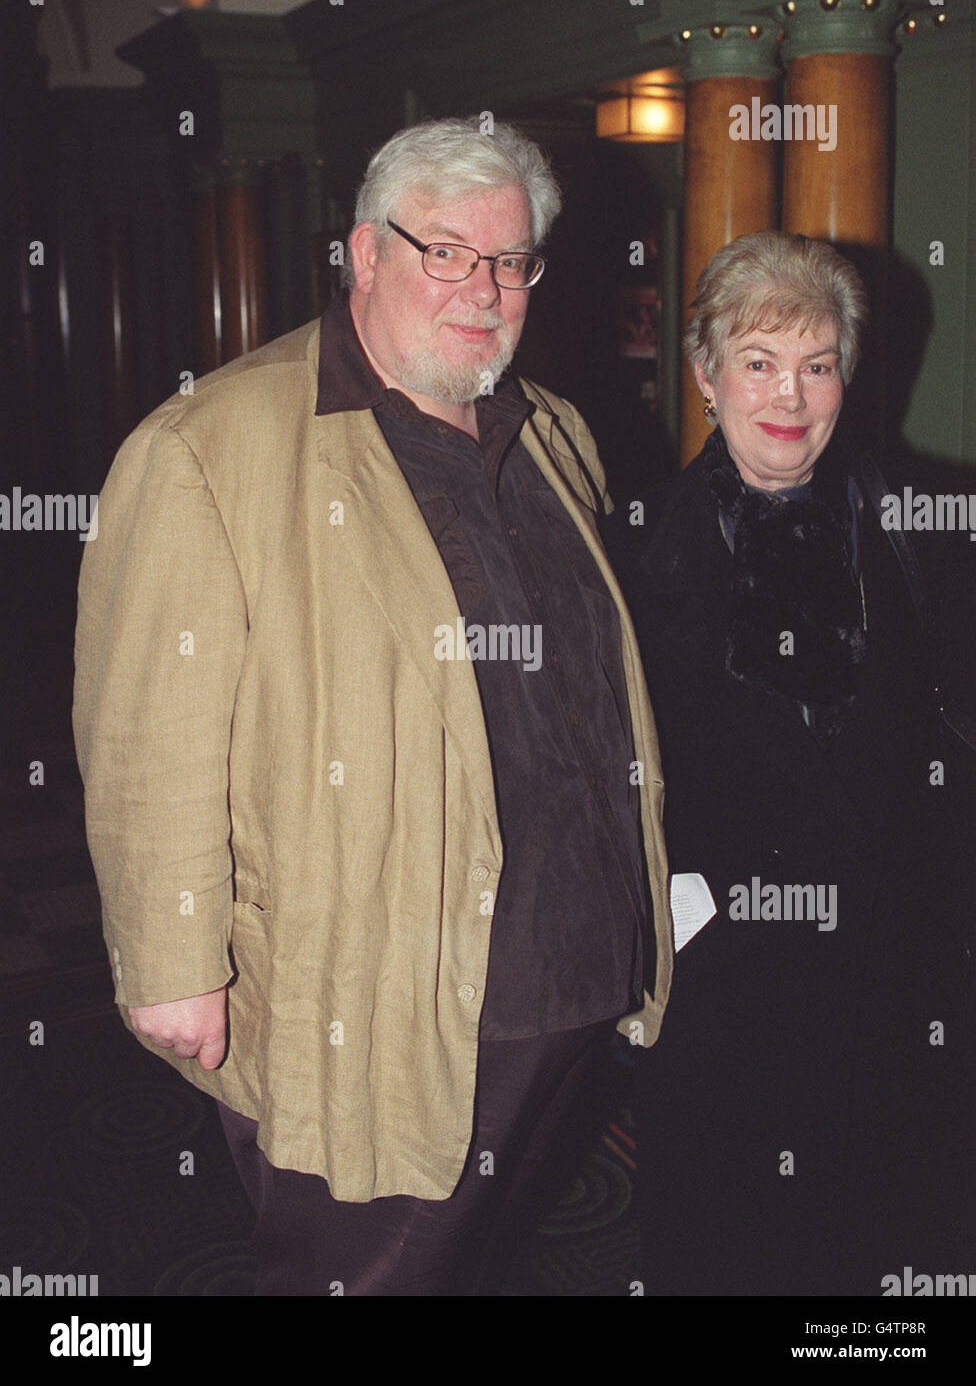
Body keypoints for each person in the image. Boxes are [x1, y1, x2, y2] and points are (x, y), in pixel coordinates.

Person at [72, 117, 673, 1297]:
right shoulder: (210, 449)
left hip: (574, 961)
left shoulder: (555, 432)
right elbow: (147, 733)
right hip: (380, 987)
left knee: (479, 1249)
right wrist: (169, 955)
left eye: (511, 261)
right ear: (361, 252)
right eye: (444, 251)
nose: (483, 289)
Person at [603, 230, 975, 1296]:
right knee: (721, 1232)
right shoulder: (631, 545)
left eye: (816, 365)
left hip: (889, 974)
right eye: (758, 362)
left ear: (847, 379)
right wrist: (672, 915)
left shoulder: (924, 531)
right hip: (722, 977)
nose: (789, 394)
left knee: (883, 1234)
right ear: (706, 372)